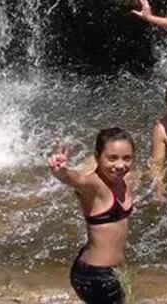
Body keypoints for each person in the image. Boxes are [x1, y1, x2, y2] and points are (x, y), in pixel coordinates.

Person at [49, 127, 135, 304]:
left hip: (111, 271)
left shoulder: (123, 181)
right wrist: (62, 172)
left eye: (127, 158)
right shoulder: (94, 186)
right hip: (95, 276)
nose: (120, 165)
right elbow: (77, 180)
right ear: (97, 157)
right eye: (112, 158)